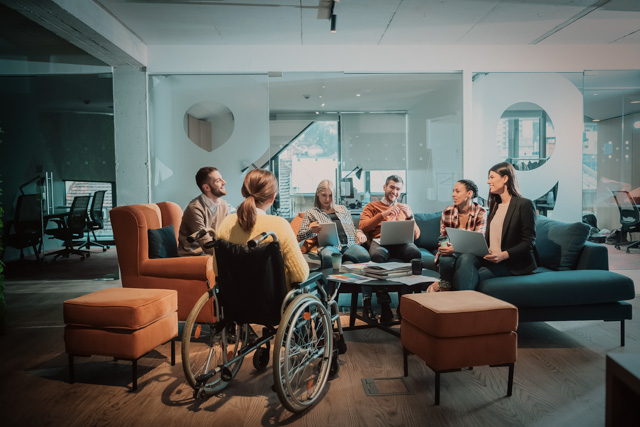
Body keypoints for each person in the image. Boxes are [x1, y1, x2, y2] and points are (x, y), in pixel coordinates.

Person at [215, 169, 309, 290]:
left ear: (242, 192)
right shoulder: (280, 225)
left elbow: (217, 270)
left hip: (234, 304)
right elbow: (300, 276)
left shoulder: (226, 224)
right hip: (276, 305)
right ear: (273, 197)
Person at [453, 162, 537, 291]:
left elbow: (528, 242)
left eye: (492, 177)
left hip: (510, 263)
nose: (488, 182)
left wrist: (503, 255)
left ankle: (463, 307)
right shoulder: (495, 204)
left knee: (468, 276)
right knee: (465, 258)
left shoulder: (524, 204)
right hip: (490, 258)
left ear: (505, 178)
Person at [358, 175, 421, 323]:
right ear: (384, 187)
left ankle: (404, 303)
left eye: (398, 189)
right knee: (378, 255)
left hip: (402, 243)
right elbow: (363, 226)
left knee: (415, 253)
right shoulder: (372, 207)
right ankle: (384, 304)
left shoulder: (405, 208)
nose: (395, 191)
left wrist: (410, 216)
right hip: (380, 242)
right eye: (392, 187)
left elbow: (417, 236)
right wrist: (382, 215)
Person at [297, 179, 370, 269]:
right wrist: (311, 231)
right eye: (324, 195)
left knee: (364, 256)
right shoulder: (311, 213)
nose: (327, 199)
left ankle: (356, 283)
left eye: (330, 195)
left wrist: (359, 233)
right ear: (317, 193)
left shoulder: (342, 209)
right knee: (328, 256)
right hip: (330, 247)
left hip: (350, 245)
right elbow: (300, 236)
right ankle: (331, 283)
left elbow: (354, 228)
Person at [433, 179, 486, 291]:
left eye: (457, 191)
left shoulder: (481, 212)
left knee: (465, 258)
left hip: (472, 253)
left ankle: (463, 297)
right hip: (451, 251)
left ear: (469, 193)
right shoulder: (448, 211)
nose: (453, 195)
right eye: (453, 191)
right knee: (445, 259)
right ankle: (444, 289)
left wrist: (455, 249)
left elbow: (477, 241)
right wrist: (445, 246)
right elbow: (444, 236)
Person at [178, 167, 236, 256]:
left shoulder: (223, 204)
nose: (224, 182)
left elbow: (227, 234)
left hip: (211, 254)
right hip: (194, 256)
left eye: (222, 178)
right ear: (206, 187)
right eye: (218, 181)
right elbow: (207, 246)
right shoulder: (195, 208)